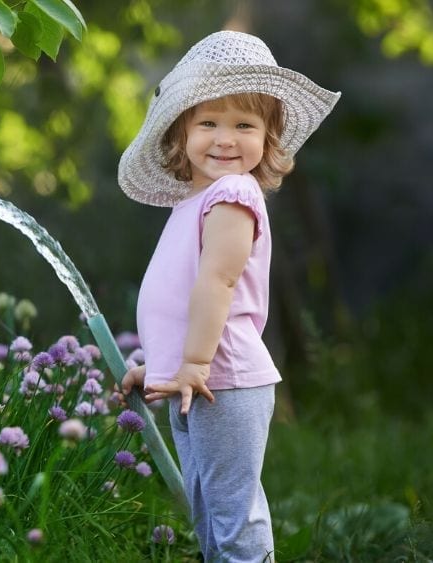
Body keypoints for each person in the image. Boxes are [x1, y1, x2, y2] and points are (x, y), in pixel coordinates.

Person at [116, 31, 340, 561]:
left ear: (268, 136)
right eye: (208, 122)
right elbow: (179, 297)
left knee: (232, 514)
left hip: (223, 379)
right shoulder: (194, 201)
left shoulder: (235, 194)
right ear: (182, 130)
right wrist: (161, 364)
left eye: (245, 125)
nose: (225, 138)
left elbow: (217, 284)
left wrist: (192, 362)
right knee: (208, 510)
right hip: (196, 379)